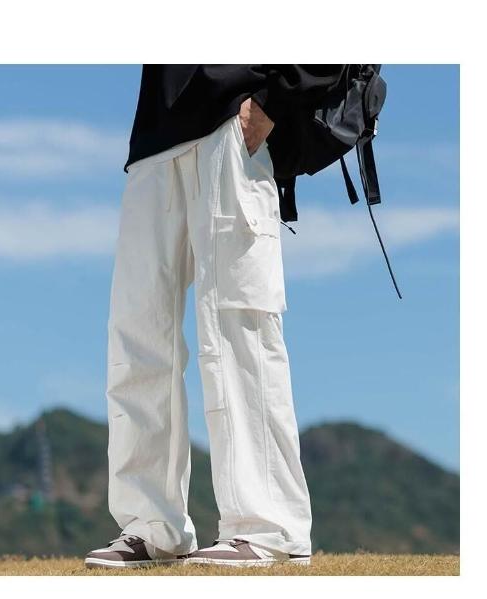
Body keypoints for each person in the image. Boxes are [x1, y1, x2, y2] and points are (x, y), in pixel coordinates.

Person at [85, 65, 343, 568]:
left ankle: (269, 527)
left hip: (233, 123)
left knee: (238, 328)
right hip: (155, 138)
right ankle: (152, 525)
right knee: (137, 333)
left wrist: (272, 102)